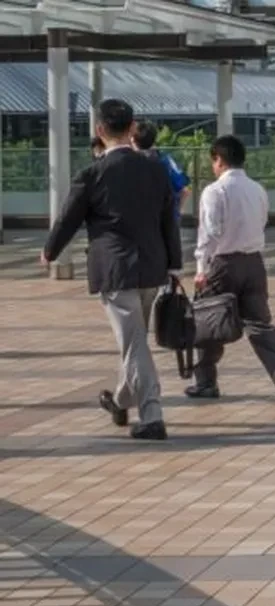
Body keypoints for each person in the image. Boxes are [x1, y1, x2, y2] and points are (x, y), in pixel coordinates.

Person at [41, 98, 181, 441]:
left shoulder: (92, 173)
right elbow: (169, 219)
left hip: (116, 270)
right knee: (135, 340)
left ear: (99, 130)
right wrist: (174, 263)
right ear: (132, 127)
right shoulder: (155, 168)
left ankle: (152, 414)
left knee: (133, 343)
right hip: (153, 267)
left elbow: (68, 218)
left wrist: (50, 251)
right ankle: (120, 400)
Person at [188, 135, 275, 404]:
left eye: (212, 161)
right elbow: (262, 222)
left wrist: (201, 268)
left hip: (223, 263)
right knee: (260, 323)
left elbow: (210, 234)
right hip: (254, 263)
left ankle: (205, 381)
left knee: (209, 320)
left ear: (219, 160)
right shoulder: (257, 189)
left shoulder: (215, 191)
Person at [132, 120, 191, 224]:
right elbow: (184, 190)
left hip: (139, 223)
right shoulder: (165, 161)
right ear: (154, 139)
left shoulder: (128, 163)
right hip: (166, 221)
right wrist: (177, 213)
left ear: (134, 141)